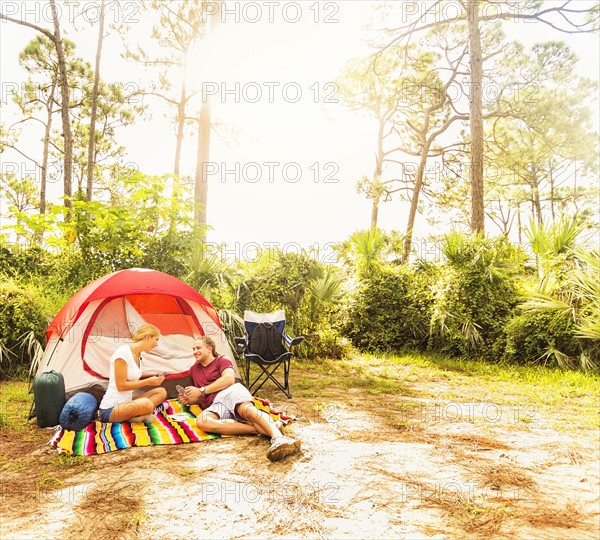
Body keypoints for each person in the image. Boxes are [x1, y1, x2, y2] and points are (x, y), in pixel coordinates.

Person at [178, 336, 301, 462]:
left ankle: (278, 438)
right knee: (202, 422)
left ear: (209, 349)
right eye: (193, 349)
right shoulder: (194, 369)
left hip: (231, 392)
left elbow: (228, 379)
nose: (194, 351)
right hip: (216, 403)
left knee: (247, 411)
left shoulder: (222, 360)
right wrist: (192, 399)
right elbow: (201, 395)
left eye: (198, 348)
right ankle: (263, 429)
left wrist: (201, 390)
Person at [98, 323, 167, 424]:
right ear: (148, 337)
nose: (156, 344)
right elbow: (121, 386)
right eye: (156, 339)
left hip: (127, 402)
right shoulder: (122, 353)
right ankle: (148, 411)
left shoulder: (138, 355)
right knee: (147, 404)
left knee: (161, 392)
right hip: (111, 409)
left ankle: (142, 413)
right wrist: (148, 382)